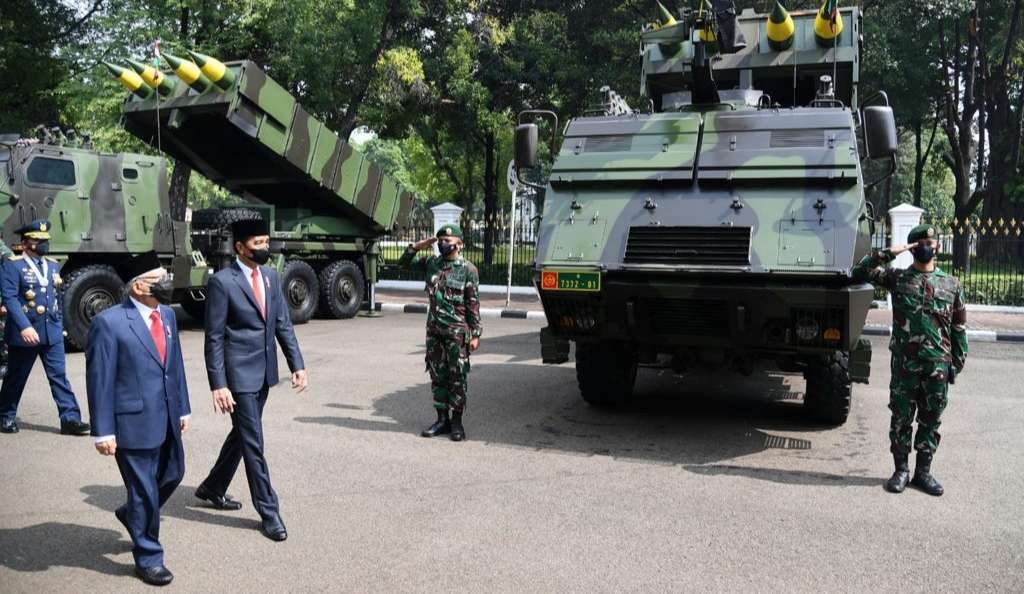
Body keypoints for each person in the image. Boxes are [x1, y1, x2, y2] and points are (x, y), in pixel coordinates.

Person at [196, 218, 307, 541]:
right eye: (257, 243)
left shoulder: (271, 277)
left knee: (243, 434)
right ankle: (269, 511)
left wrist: (296, 364)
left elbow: (282, 324)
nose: (264, 248)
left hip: (264, 373)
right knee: (254, 442)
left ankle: (213, 486)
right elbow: (214, 337)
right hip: (238, 376)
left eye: (266, 242)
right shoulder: (223, 282)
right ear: (239, 248)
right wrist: (218, 384)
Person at [86, 251, 190, 586]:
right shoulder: (110, 322)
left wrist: (183, 407)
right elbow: (100, 378)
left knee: (174, 472)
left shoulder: (168, 317)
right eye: (158, 278)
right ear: (137, 286)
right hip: (131, 421)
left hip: (167, 415)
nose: (166, 282)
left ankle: (132, 514)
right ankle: (148, 556)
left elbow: (174, 367)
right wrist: (103, 431)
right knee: (145, 491)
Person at [851, 224, 968, 496]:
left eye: (931, 241)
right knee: (901, 419)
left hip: (937, 367)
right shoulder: (899, 278)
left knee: (931, 420)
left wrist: (956, 364)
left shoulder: (951, 284)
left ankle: (923, 473)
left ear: (937, 246)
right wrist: (893, 251)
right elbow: (860, 271)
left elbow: (959, 328)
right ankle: (901, 470)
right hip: (905, 366)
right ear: (913, 247)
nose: (927, 246)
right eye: (920, 243)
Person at [0, 219, 88, 435]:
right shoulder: (13, 265)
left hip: (52, 331)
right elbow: (10, 298)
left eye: (45, 240)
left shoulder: (53, 264)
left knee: (59, 376)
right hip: (26, 332)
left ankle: (70, 419)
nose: (43, 244)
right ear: (26, 242)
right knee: (16, 377)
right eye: (38, 241)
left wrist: (59, 323)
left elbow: (56, 297)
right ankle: (5, 416)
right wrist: (24, 327)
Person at [399, 224, 482, 442]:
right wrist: (416, 247)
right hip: (434, 331)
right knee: (437, 376)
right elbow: (402, 264)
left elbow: (473, 304)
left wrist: (475, 334)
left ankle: (457, 423)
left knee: (457, 377)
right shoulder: (432, 264)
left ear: (459, 244)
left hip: (457, 333)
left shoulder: (468, 270)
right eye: (441, 240)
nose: (443, 244)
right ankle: (441, 419)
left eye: (448, 240)